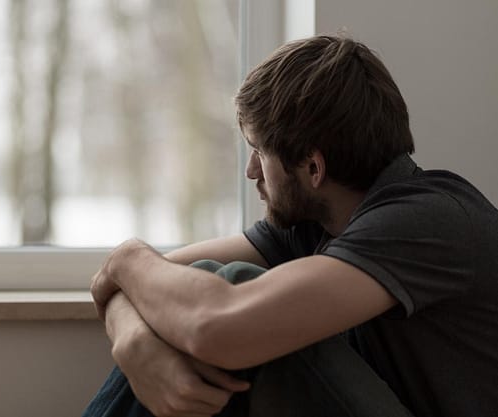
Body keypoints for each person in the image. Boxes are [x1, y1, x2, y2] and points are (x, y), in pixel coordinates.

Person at [84, 35, 498, 417]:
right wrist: (135, 345)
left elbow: (214, 324)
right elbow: (142, 281)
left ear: (313, 167)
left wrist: (127, 256)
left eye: (258, 152)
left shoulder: (428, 219)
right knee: (200, 287)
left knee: (232, 293)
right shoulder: (322, 222)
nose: (250, 172)